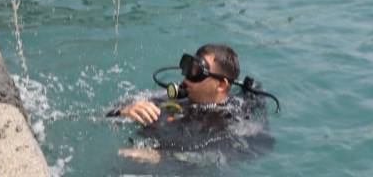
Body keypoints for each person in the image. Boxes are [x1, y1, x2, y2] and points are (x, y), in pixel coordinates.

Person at [110, 44, 276, 168]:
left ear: (221, 85)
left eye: (197, 73)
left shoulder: (235, 118)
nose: (186, 79)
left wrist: (162, 157)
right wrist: (124, 111)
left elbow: (249, 150)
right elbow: (100, 116)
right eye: (188, 69)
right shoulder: (166, 98)